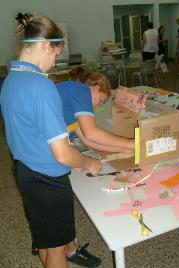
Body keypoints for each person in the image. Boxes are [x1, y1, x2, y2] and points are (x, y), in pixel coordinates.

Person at [0, 13, 103, 268]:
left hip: (25, 171)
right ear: (45, 45)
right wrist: (88, 162)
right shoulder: (40, 85)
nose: (54, 61)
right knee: (57, 249)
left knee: (46, 242)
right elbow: (62, 154)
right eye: (55, 54)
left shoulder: (10, 80)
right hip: (48, 178)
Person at [56, 67, 134, 153]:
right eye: (100, 100)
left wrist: (124, 149)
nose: (97, 106)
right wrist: (129, 143)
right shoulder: (81, 90)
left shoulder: (74, 107)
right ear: (96, 88)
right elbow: (91, 134)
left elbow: (87, 140)